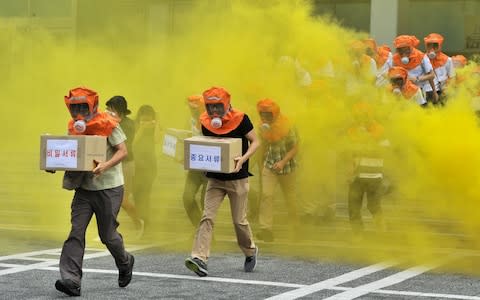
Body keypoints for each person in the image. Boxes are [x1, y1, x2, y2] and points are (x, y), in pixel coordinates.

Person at [54, 87, 134, 296]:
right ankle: (71, 280)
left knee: (107, 235)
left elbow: (123, 151)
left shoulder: (108, 123)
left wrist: (105, 165)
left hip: (109, 187)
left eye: (83, 107)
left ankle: (125, 261)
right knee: (76, 231)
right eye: (75, 108)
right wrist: (54, 163)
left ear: (92, 106)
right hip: (84, 189)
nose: (79, 112)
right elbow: (72, 153)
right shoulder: (75, 127)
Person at [185, 86, 260, 277]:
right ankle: (199, 258)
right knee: (207, 217)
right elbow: (208, 145)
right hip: (215, 179)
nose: (214, 111)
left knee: (239, 221)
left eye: (218, 106)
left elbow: (256, 141)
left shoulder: (241, 119)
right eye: (210, 107)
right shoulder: (205, 122)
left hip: (238, 178)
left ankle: (250, 250)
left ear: (226, 104)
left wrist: (243, 159)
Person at [256, 99, 299, 242]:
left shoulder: (288, 125)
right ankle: (266, 229)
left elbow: (295, 147)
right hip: (269, 166)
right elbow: (261, 146)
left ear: (275, 113)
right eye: (262, 114)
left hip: (287, 167)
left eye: (268, 115)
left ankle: (295, 228)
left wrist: (282, 162)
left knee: (290, 198)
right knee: (266, 196)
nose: (265, 118)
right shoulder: (261, 127)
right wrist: (261, 165)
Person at [346, 102, 389, 241]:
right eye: (358, 116)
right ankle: (358, 234)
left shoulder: (379, 130)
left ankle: (382, 232)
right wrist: (350, 171)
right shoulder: (353, 130)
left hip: (374, 174)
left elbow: (384, 151)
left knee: (374, 206)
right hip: (357, 175)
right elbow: (351, 152)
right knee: (353, 206)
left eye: (363, 116)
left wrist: (367, 139)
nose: (360, 119)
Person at [106, 96, 145, 237]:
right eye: (108, 109)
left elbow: (125, 146)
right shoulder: (108, 122)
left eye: (111, 109)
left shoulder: (128, 125)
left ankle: (138, 222)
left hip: (126, 163)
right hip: (112, 163)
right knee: (109, 198)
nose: (108, 112)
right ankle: (109, 230)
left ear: (121, 112)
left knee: (122, 199)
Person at [132, 105, 158, 231]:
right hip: (137, 165)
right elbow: (133, 142)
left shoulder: (155, 127)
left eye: (149, 119)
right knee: (137, 194)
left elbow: (158, 140)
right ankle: (139, 221)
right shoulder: (135, 127)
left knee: (145, 194)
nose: (146, 122)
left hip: (150, 165)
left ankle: (145, 222)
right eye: (144, 119)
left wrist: (156, 125)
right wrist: (142, 128)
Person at [182, 95, 207, 228]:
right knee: (187, 198)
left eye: (196, 108)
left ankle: (207, 234)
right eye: (191, 108)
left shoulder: (211, 121)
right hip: (195, 165)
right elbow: (185, 137)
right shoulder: (190, 120)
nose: (193, 111)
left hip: (210, 167)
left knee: (206, 202)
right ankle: (199, 228)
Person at [392, 35, 438, 104]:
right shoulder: (394, 59)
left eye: (406, 49)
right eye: (400, 49)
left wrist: (434, 92)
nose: (403, 51)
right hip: (402, 92)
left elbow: (432, 75)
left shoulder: (421, 56)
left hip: (419, 90)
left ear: (411, 47)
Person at [423, 33, 456, 105]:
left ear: (440, 46)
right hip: (427, 91)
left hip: (443, 91)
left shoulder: (447, 60)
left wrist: (448, 90)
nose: (432, 49)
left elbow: (452, 77)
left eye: (435, 46)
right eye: (429, 46)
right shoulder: (422, 59)